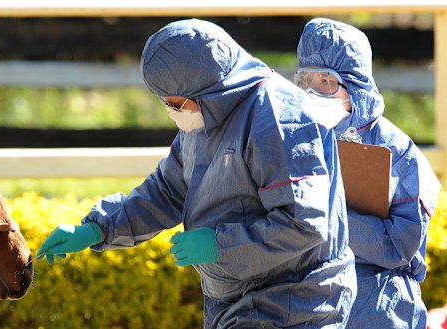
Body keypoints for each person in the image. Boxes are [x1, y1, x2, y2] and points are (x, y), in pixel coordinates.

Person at [38, 18, 357, 328]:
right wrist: (97, 229)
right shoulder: (206, 114)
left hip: (295, 303)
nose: (169, 107)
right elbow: (167, 190)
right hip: (236, 299)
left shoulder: (277, 118)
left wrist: (220, 246)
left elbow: (303, 224)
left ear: (204, 88)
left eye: (172, 100)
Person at [296, 18, 441, 329]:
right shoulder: (301, 140)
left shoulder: (398, 151)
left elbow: (400, 246)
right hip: (313, 306)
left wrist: (329, 221)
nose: (313, 91)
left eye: (326, 81)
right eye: (305, 80)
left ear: (355, 84)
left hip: (380, 309)